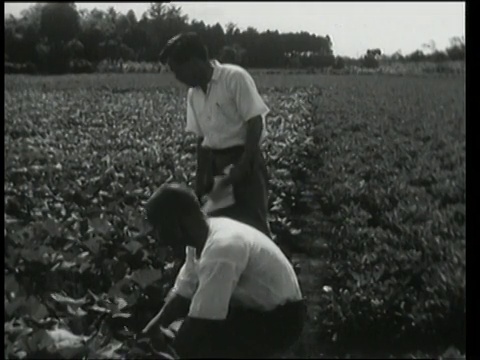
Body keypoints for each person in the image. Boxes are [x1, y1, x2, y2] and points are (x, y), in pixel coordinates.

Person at [142, 183, 305, 358]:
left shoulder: (222, 247)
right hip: (255, 311)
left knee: (198, 345)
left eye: (159, 228)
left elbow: (202, 321)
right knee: (182, 332)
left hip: (280, 321)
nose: (158, 238)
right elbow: (183, 293)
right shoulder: (200, 236)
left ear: (176, 221)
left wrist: (169, 352)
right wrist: (151, 330)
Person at [159, 32, 271, 237]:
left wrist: (244, 165)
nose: (177, 77)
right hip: (217, 166)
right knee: (221, 230)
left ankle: (266, 267)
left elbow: (255, 121)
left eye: (177, 70)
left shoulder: (233, 77)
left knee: (254, 227)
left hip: (244, 159)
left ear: (193, 61)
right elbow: (202, 138)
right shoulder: (194, 94)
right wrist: (201, 177)